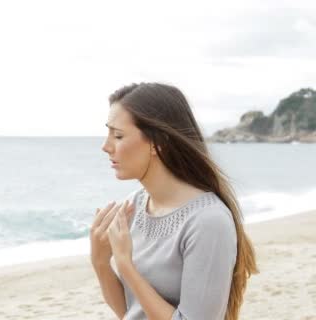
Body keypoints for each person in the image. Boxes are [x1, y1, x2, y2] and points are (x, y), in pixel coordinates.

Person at [90, 83, 258, 320]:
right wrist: (100, 261)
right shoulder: (133, 207)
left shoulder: (208, 222)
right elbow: (131, 314)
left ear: (158, 143)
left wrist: (126, 266)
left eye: (118, 135)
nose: (106, 146)